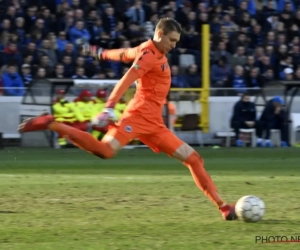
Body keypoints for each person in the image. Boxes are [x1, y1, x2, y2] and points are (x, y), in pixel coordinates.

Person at [18, 17, 236, 220]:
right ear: (159, 33)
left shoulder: (147, 50)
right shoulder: (148, 55)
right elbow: (126, 79)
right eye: (171, 40)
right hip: (138, 116)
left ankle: (223, 207)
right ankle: (52, 124)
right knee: (105, 151)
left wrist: (101, 53)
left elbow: (123, 53)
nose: (174, 45)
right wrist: (109, 107)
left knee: (194, 159)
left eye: (176, 41)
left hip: (155, 124)